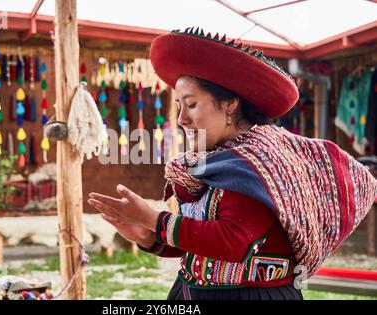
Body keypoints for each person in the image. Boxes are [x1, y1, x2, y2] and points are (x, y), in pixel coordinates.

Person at [87, 28, 377, 300]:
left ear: (230, 106)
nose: (181, 119)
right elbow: (201, 244)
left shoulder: (259, 162)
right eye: (179, 106)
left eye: (191, 105)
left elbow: (233, 241)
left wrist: (153, 219)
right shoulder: (213, 162)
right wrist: (149, 237)